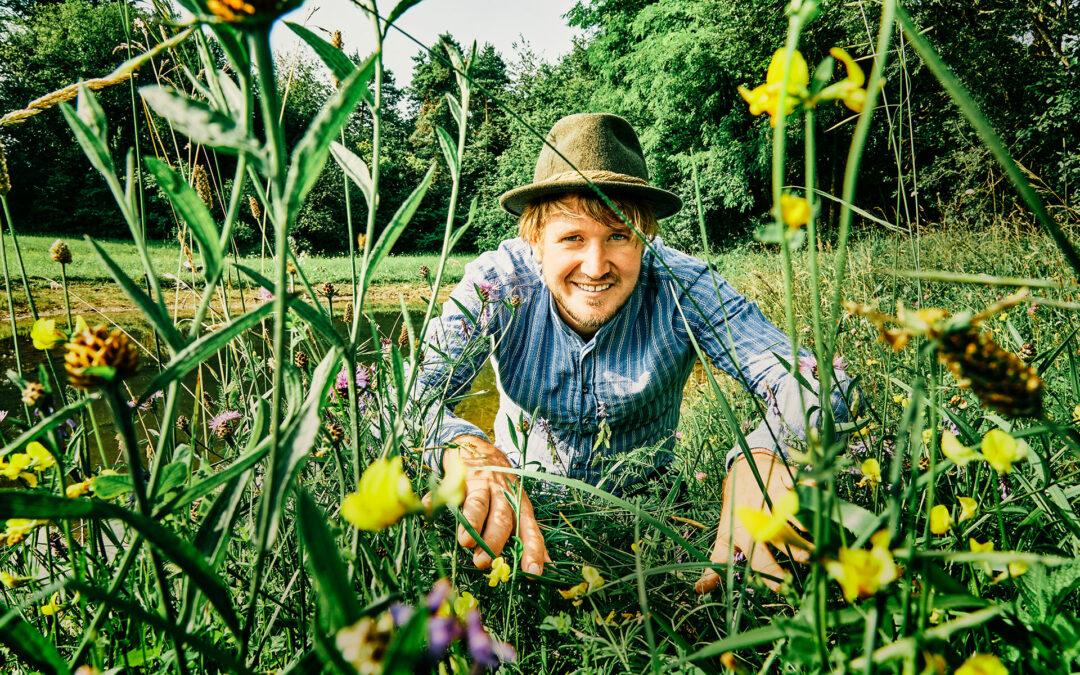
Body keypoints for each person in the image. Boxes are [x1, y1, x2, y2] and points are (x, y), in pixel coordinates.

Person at [413, 113, 853, 593]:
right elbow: (400, 396)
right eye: (573, 238)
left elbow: (812, 378)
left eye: (619, 236)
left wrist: (765, 457)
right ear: (535, 240)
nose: (596, 266)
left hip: (654, 519)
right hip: (521, 519)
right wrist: (473, 454)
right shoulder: (497, 284)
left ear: (646, 237)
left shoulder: (684, 284)